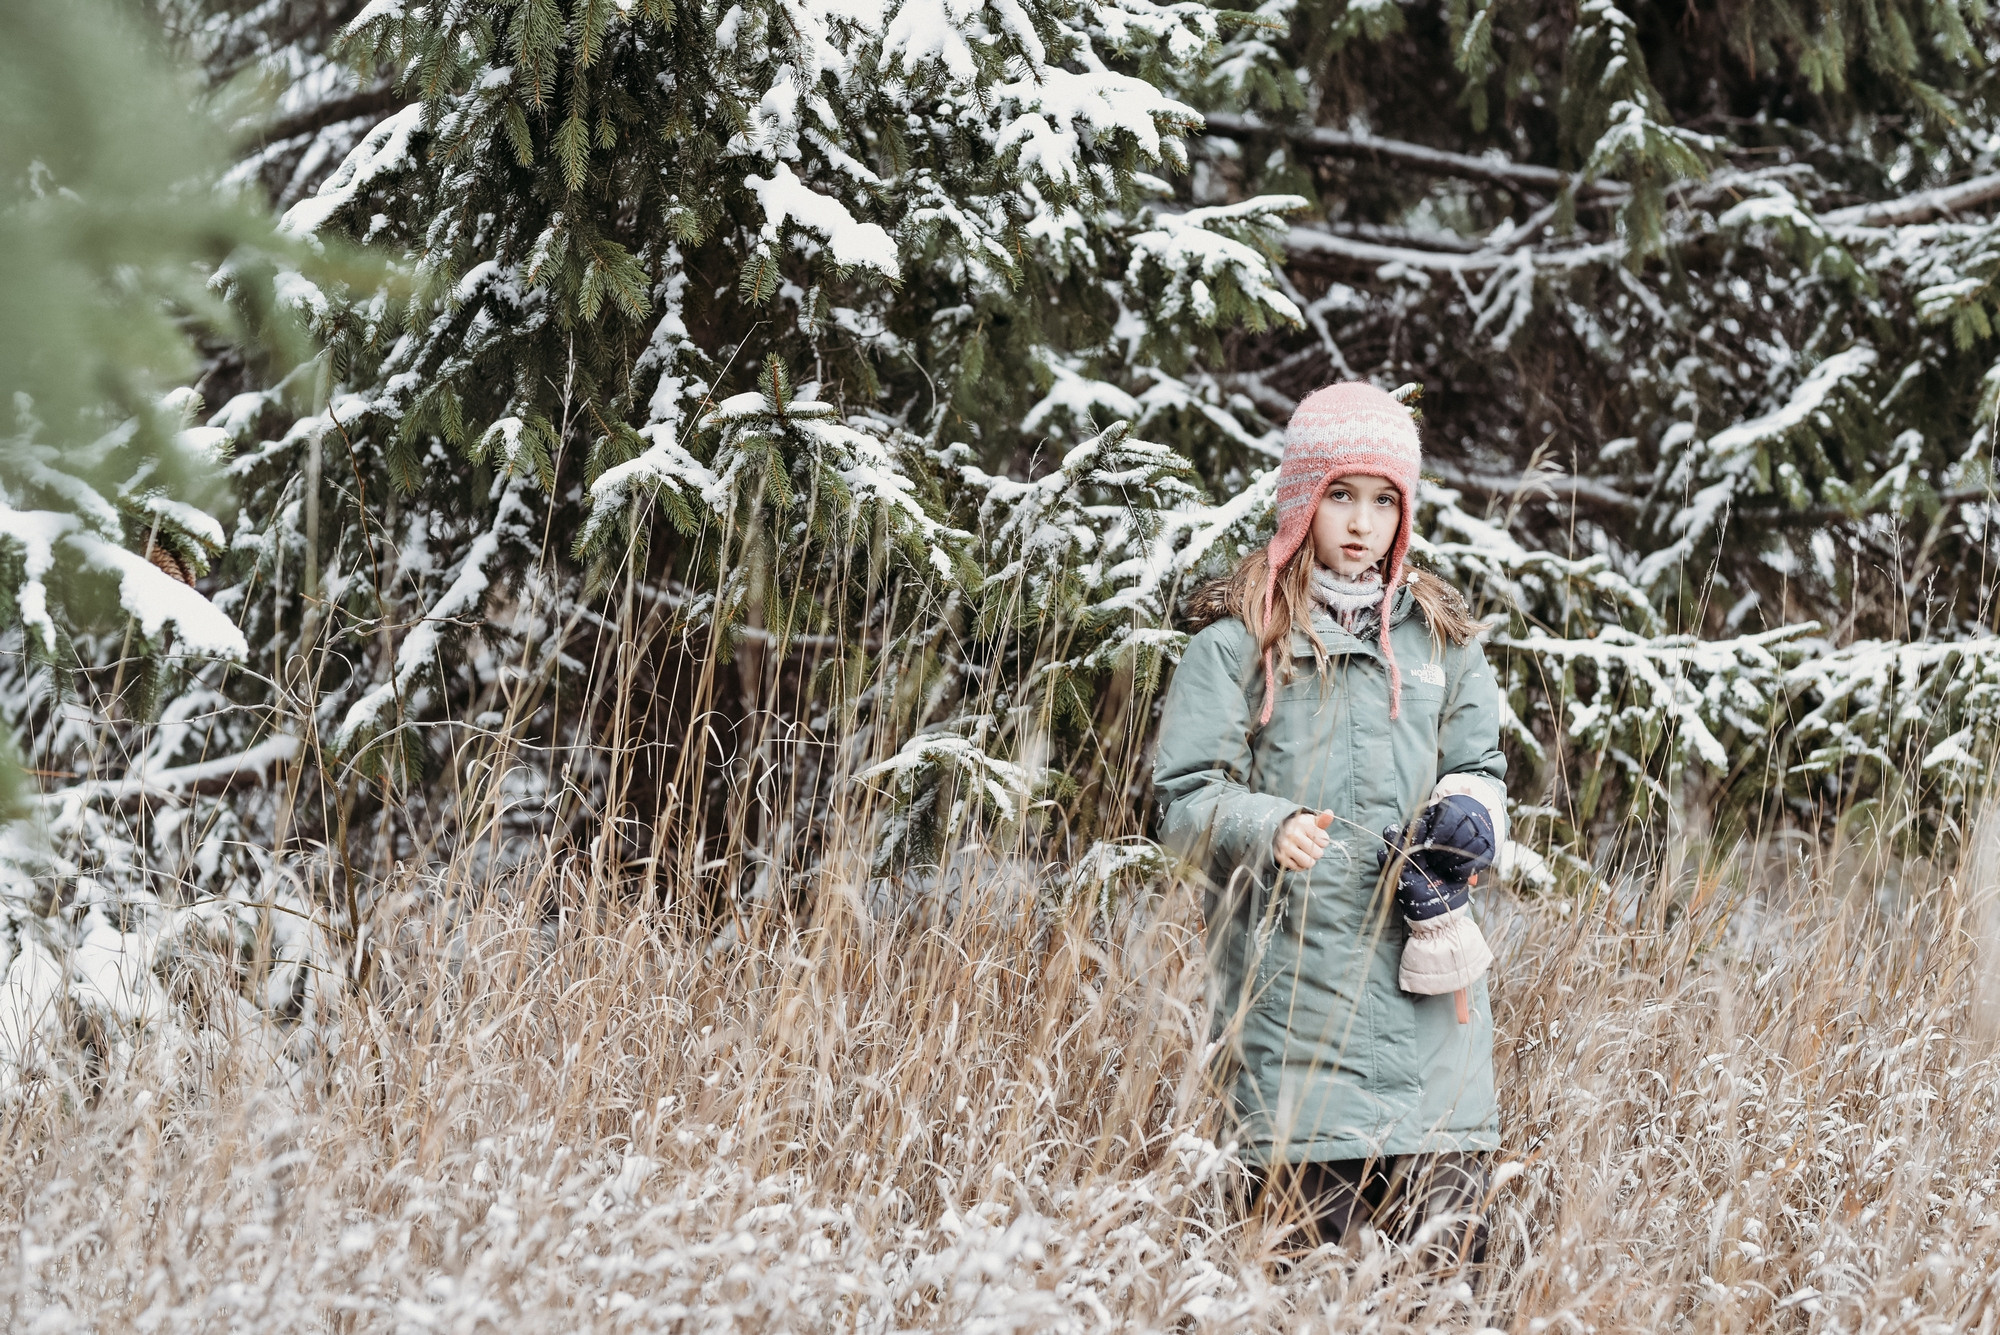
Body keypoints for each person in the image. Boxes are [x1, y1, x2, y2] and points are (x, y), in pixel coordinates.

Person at [1153, 381, 1507, 1264]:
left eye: (1385, 500)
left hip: (1435, 1033)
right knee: (1303, 1288)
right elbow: (1183, 802)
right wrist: (1265, 824)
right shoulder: (1237, 642)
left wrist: (1471, 813)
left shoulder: (1444, 641)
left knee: (1447, 1291)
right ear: (1302, 497)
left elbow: (1481, 765)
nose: (1361, 522)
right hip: (1295, 1032)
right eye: (1341, 494)